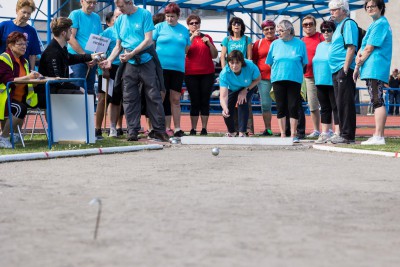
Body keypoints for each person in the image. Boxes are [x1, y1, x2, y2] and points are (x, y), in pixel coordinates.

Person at [101, 0, 168, 142]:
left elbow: (148, 40)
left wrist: (132, 53)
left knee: (153, 95)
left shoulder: (144, 14)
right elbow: (118, 46)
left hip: (146, 59)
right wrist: (109, 60)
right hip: (129, 63)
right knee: (129, 97)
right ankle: (132, 131)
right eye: (117, 8)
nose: (119, 10)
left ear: (130, 2)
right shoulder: (119, 21)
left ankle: (159, 131)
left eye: (121, 7)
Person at [36, 17, 99, 108]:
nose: (71, 32)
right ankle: (70, 122)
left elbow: (71, 58)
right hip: (49, 91)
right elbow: (57, 81)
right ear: (63, 33)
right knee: (83, 94)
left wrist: (91, 56)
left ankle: (81, 121)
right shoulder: (53, 52)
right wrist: (78, 88)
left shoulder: (61, 48)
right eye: (70, 30)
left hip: (58, 88)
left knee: (90, 94)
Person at [353, 0, 392, 145]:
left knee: (377, 100)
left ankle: (379, 136)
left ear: (381, 7)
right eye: (367, 7)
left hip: (375, 67)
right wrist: (359, 58)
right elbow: (364, 47)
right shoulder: (376, 24)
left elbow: (369, 48)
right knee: (376, 100)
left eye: (372, 6)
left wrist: (357, 65)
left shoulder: (381, 23)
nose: (369, 9)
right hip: (372, 67)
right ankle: (378, 134)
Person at [266, 20, 308, 143]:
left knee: (293, 106)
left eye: (281, 30)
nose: (278, 33)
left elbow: (304, 62)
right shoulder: (274, 44)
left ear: (289, 31)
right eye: (277, 30)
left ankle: (293, 134)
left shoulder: (300, 44)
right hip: (278, 79)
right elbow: (270, 63)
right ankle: (283, 134)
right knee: (281, 107)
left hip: (294, 79)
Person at [153, 3, 190, 137]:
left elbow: (187, 48)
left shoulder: (184, 30)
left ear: (178, 16)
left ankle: (177, 128)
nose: (169, 19)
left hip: (178, 69)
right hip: (161, 68)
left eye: (172, 16)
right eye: (167, 16)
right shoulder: (158, 27)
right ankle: (157, 128)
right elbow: (151, 45)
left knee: (175, 98)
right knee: (160, 97)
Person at [0, 31, 40, 148]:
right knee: (20, 109)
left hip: (20, 96)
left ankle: (14, 135)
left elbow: (26, 80)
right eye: (20, 44)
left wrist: (35, 79)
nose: (24, 47)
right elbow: (8, 80)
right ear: (11, 46)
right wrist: (28, 77)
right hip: (5, 97)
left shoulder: (25, 61)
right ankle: (3, 137)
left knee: (23, 105)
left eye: (25, 44)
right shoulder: (3, 58)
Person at [328, 0, 358, 144]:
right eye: (330, 10)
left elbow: (351, 47)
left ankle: (348, 136)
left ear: (343, 10)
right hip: (336, 69)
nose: (331, 12)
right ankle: (342, 133)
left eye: (334, 10)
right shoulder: (339, 26)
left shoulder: (348, 23)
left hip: (343, 68)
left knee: (345, 102)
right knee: (339, 103)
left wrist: (345, 68)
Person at [67, 0, 102, 114]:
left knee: (90, 90)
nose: (92, 5)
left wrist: (95, 59)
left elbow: (99, 40)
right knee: (77, 89)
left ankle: (88, 121)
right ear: (82, 1)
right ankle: (76, 121)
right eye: (89, 2)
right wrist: (85, 57)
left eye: (94, 3)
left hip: (91, 60)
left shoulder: (96, 17)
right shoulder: (75, 14)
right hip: (77, 59)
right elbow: (71, 38)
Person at [185, 14, 218, 136]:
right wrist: (192, 38)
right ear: (188, 25)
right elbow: (184, 51)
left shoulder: (207, 37)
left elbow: (215, 55)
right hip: (191, 73)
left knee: (205, 101)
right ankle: (193, 128)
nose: (195, 25)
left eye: (196, 23)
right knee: (194, 101)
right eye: (192, 23)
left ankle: (204, 128)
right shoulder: (186, 37)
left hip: (207, 74)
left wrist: (209, 43)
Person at [220, 17, 253, 135]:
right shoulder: (227, 40)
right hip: (231, 73)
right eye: (234, 24)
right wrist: (225, 70)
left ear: (242, 26)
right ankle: (232, 130)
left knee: (244, 102)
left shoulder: (247, 39)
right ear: (231, 26)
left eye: (239, 23)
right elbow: (223, 56)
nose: (236, 25)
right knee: (230, 103)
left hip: (243, 73)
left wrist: (246, 70)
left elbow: (249, 57)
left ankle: (246, 129)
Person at [95, 9, 123, 138]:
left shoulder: (126, 32)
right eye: (116, 17)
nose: (119, 18)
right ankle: (97, 128)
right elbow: (100, 54)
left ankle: (113, 128)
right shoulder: (106, 33)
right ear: (111, 21)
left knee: (116, 99)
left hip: (121, 68)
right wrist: (103, 70)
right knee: (102, 99)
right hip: (107, 69)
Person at [219, 50, 261, 137]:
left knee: (242, 102)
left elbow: (258, 79)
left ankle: (242, 132)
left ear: (242, 62)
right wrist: (224, 108)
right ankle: (232, 132)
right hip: (233, 88)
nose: (234, 66)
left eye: (237, 63)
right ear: (228, 63)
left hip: (248, 86)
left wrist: (245, 90)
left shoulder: (250, 66)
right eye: (232, 63)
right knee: (227, 110)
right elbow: (223, 96)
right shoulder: (224, 73)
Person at [312, 21, 340, 144]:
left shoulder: (337, 45)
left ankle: (338, 132)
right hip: (320, 80)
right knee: (324, 108)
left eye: (329, 30)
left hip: (333, 80)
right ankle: (325, 132)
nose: (326, 33)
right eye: (323, 30)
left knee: (335, 107)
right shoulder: (320, 45)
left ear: (334, 31)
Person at [252, 19, 277, 136]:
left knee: (283, 103)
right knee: (266, 105)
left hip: (279, 78)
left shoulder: (280, 41)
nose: (269, 31)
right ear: (262, 31)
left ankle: (286, 129)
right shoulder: (258, 43)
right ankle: (268, 129)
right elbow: (254, 61)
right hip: (263, 78)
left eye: (272, 28)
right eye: (266, 29)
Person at [0, 0, 42, 69]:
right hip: (4, 69)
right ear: (17, 11)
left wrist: (31, 71)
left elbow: (32, 54)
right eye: (24, 12)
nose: (26, 16)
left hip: (22, 71)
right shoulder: (4, 26)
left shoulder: (32, 31)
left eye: (29, 13)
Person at [302, 15, 324, 138]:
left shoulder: (321, 37)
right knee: (313, 105)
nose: (308, 26)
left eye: (311, 24)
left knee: (327, 104)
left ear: (315, 25)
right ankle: (316, 130)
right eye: (305, 24)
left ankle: (329, 129)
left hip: (323, 76)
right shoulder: (302, 41)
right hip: (308, 76)